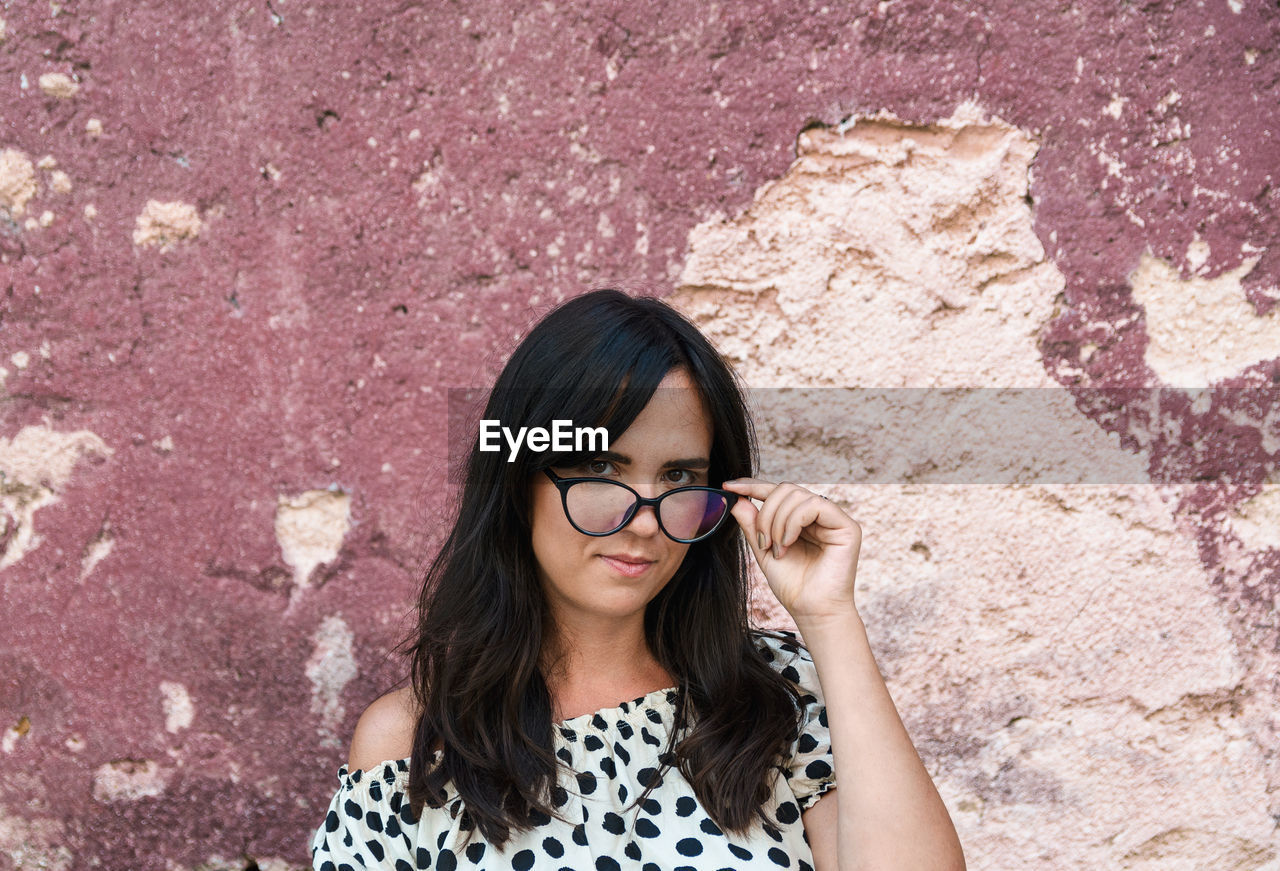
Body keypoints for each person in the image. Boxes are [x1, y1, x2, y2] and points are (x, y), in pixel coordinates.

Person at [310, 289, 965, 871]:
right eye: (602, 466)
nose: (644, 520)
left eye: (679, 477)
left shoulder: (774, 699)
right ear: (521, 478)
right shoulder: (414, 742)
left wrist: (830, 618)